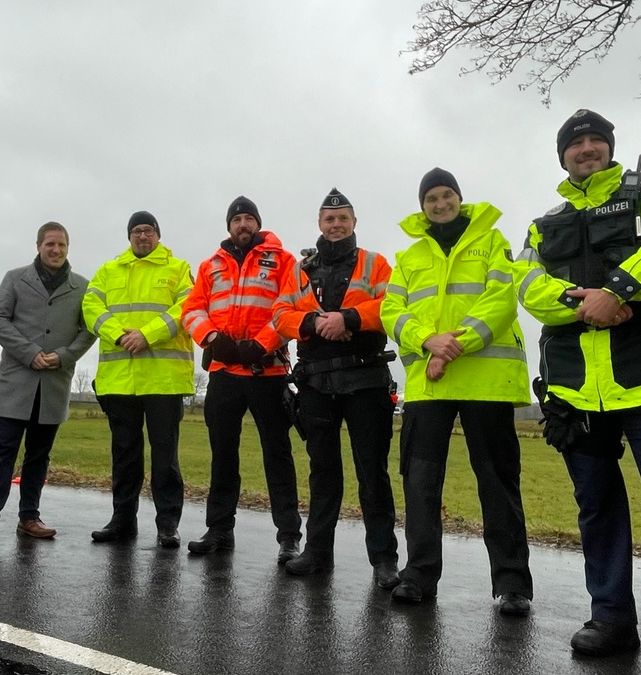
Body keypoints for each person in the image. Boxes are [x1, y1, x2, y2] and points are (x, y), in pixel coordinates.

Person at [516, 109, 641, 675]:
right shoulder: (542, 224)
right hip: (577, 392)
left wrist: (618, 289)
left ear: (609, 147)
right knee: (597, 509)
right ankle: (610, 618)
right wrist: (587, 305)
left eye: (595, 140)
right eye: (576, 143)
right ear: (562, 155)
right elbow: (528, 285)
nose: (586, 149)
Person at [378, 170, 533, 613]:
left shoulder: (492, 241)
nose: (440, 203)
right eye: (431, 198)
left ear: (459, 199)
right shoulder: (409, 256)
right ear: (423, 206)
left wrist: (453, 346)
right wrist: (428, 340)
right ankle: (419, 575)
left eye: (447, 195)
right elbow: (392, 310)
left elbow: (501, 298)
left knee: (498, 483)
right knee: (420, 482)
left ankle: (513, 584)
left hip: (485, 381)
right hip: (430, 386)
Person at [271, 188, 399, 587]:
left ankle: (384, 560)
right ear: (320, 223)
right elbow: (280, 314)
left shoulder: (376, 263)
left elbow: (392, 306)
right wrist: (314, 323)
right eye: (329, 219)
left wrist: (349, 319)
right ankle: (317, 553)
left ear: (354, 222)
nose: (336, 224)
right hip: (316, 383)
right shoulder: (300, 269)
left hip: (365, 380)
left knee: (372, 473)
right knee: (323, 473)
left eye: (343, 218)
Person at [182, 196, 303, 564]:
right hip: (223, 373)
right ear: (229, 226)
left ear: (258, 224)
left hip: (267, 371)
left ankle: (289, 537)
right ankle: (219, 529)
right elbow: (192, 309)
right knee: (222, 455)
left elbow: (292, 307)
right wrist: (213, 339)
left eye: (249, 219)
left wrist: (260, 345)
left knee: (277, 454)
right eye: (237, 220)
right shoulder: (210, 265)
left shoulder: (283, 261)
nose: (243, 225)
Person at [0, 222, 96, 547]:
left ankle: (29, 518)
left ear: (67, 248)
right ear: (38, 246)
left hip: (54, 384)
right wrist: (29, 353)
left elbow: (89, 329)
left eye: (61, 245)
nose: (56, 250)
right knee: (1, 453)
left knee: (39, 455)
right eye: (50, 244)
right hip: (16, 382)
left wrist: (63, 356)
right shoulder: (15, 278)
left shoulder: (82, 286)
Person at [82, 211, 194, 547]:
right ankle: (122, 521)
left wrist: (147, 335)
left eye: (148, 230)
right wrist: (119, 335)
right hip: (119, 381)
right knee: (124, 456)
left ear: (158, 234)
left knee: (165, 457)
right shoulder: (108, 270)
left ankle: (167, 525)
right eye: (136, 231)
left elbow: (187, 307)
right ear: (129, 236)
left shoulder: (178, 269)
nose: (142, 236)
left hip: (163, 380)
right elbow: (91, 307)